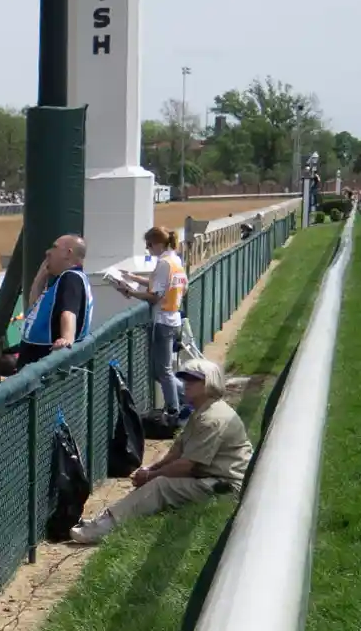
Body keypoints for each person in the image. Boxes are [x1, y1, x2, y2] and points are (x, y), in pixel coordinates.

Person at [70, 358, 251, 544]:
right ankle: (108, 518)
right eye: (185, 378)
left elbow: (186, 466)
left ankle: (102, 527)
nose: (186, 383)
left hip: (227, 486)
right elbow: (177, 452)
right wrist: (150, 469)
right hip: (210, 477)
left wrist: (151, 477)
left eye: (193, 379)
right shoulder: (202, 411)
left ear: (210, 383)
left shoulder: (213, 418)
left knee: (160, 486)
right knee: (157, 479)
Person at [115, 227, 189, 416]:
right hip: (173, 319)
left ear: (158, 243)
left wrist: (130, 292)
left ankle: (176, 409)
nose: (148, 249)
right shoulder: (175, 260)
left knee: (163, 372)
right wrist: (133, 278)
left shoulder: (164, 263)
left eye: (148, 245)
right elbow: (175, 287)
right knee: (161, 372)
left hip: (162, 321)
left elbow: (154, 295)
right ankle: (188, 397)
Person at [12, 234, 91, 371]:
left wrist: (67, 340)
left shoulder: (70, 278)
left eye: (54, 247)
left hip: (43, 367)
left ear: (68, 253)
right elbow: (34, 308)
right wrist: (41, 276)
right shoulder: (63, 279)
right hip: (33, 363)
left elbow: (69, 312)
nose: (48, 252)